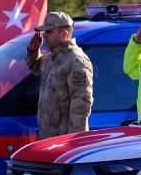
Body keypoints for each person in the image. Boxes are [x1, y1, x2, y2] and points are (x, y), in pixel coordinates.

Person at [25, 11, 93, 139]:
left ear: (64, 33)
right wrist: (33, 50)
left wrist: (74, 141)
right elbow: (35, 67)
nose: (44, 36)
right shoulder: (51, 58)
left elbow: (81, 104)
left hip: (63, 140)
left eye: (49, 31)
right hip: (48, 137)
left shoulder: (77, 60)